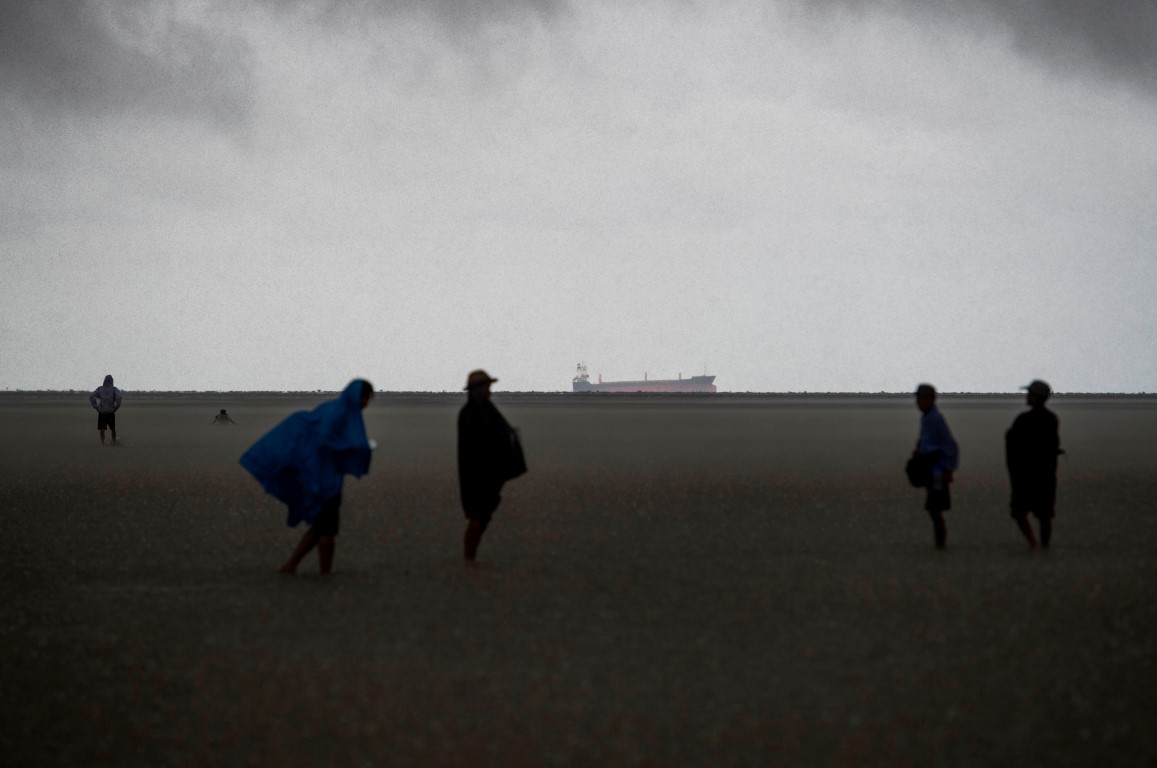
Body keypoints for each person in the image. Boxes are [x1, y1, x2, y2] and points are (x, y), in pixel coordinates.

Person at [239, 380, 374, 575]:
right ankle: (325, 574)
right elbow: (323, 439)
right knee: (327, 531)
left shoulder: (336, 410)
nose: (364, 402)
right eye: (363, 397)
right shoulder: (340, 413)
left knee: (319, 528)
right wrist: (353, 449)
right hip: (323, 481)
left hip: (327, 478)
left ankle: (291, 565)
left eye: (367, 398)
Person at [458, 369, 526, 563]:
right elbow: (479, 444)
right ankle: (468, 558)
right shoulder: (471, 413)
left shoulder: (486, 409)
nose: (490, 391)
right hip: (477, 476)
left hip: (489, 475)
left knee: (483, 516)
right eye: (487, 387)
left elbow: (500, 434)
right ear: (477, 389)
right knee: (477, 517)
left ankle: (470, 557)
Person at [1005, 379, 1063, 549]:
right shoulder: (1051, 419)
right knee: (1044, 514)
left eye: (1029, 394)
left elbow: (1013, 445)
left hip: (1026, 476)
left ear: (1037, 398)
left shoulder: (1023, 420)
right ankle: (1043, 545)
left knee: (1020, 512)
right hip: (1045, 475)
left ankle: (1034, 543)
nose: (1027, 397)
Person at [913, 383, 959, 550]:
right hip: (930, 469)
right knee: (933, 508)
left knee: (935, 507)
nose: (918, 402)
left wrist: (949, 468)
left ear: (931, 400)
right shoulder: (926, 418)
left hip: (938, 470)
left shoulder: (936, 418)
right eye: (917, 399)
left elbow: (950, 445)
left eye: (921, 399)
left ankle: (941, 545)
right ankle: (939, 545)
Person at [89, 374, 123, 446]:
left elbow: (92, 396)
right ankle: (114, 442)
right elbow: (119, 397)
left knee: (102, 429)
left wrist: (96, 407)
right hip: (111, 411)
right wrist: (116, 407)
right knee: (113, 429)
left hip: (102, 412)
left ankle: (102, 443)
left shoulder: (100, 389)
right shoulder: (114, 389)